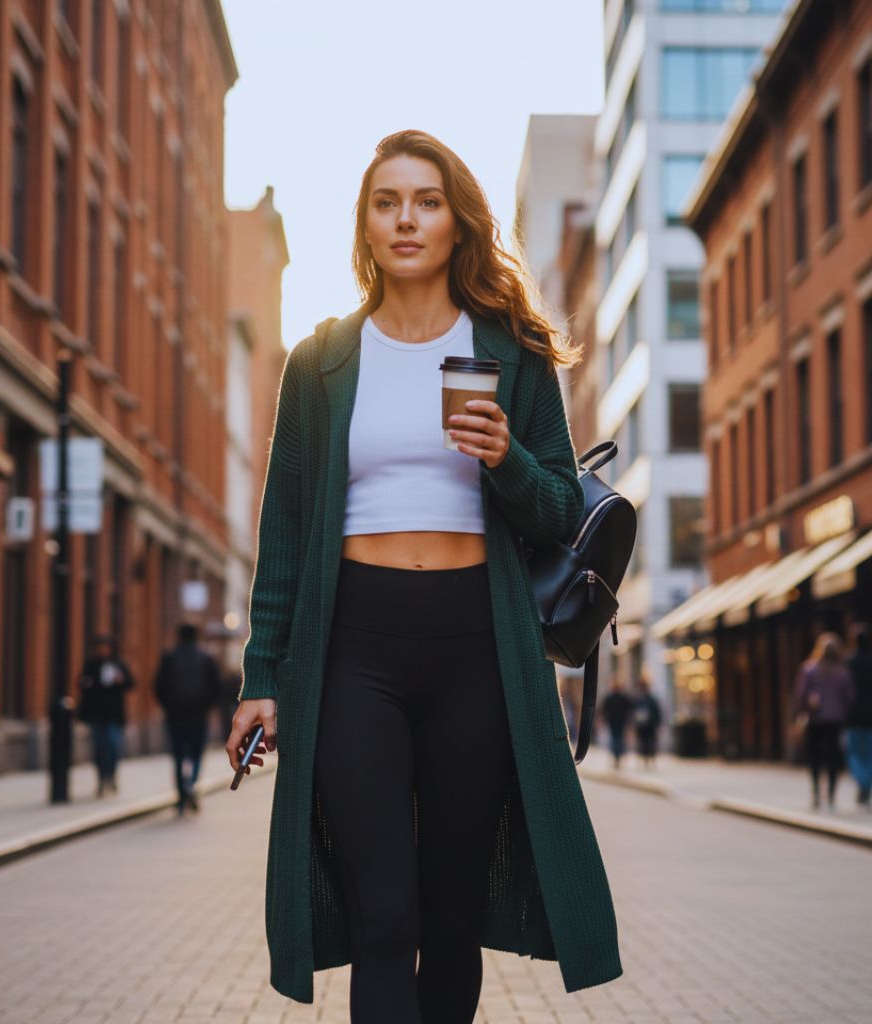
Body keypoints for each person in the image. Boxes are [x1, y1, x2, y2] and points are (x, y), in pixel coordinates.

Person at [225, 130, 622, 1020]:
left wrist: (506, 458)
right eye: (387, 201)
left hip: (477, 647)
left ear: (456, 224)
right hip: (353, 646)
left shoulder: (512, 353)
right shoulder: (321, 362)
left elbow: (563, 508)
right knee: (384, 912)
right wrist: (260, 677)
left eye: (427, 201)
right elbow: (284, 535)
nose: (407, 218)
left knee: (448, 920)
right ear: (365, 224)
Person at [154, 623, 223, 815]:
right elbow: (216, 687)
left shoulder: (168, 658)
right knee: (196, 754)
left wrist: (169, 706)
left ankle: (181, 794)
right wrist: (205, 706)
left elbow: (158, 686)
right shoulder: (206, 658)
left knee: (177, 756)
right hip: (198, 715)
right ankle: (191, 784)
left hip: (175, 716)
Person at [792, 631, 855, 811]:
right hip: (835, 719)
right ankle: (831, 794)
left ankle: (816, 792)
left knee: (814, 756)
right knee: (833, 756)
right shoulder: (842, 671)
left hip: (816, 718)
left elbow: (800, 694)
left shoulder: (809, 668)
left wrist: (801, 712)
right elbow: (850, 696)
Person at [76, 634, 135, 797]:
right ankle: (101, 779)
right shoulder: (91, 665)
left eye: (105, 647)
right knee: (99, 748)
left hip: (114, 714)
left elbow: (131, 683)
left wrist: (120, 681)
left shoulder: (119, 664)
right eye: (100, 647)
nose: (103, 650)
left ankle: (111, 775)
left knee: (113, 745)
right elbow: (81, 683)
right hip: (96, 714)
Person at [844, 623, 872, 808]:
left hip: (853, 717)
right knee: (870, 754)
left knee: (854, 753)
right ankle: (867, 784)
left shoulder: (849, 663)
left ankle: (863, 782)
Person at [601, 676, 634, 770]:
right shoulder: (617, 697)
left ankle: (617, 755)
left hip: (617, 721)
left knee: (616, 738)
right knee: (617, 738)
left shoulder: (614, 697)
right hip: (616, 721)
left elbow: (604, 709)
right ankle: (617, 755)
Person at [632, 674, 663, 769]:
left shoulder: (641, 699)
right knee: (647, 742)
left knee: (647, 742)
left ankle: (647, 758)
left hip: (646, 725)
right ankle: (647, 758)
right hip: (645, 725)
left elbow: (656, 712)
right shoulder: (644, 699)